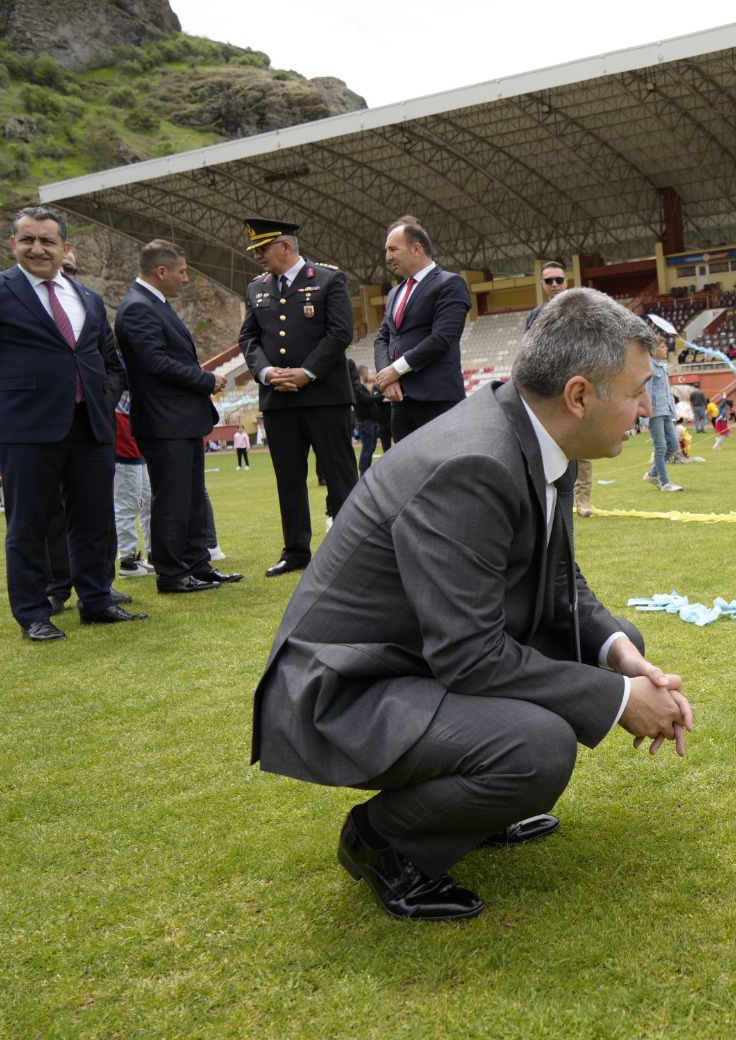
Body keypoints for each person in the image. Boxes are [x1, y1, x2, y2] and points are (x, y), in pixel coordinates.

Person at [252, 286, 693, 922]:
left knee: (613, 647)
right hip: (344, 687)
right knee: (537, 747)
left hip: (415, 655)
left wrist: (624, 661)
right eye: (636, 390)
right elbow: (468, 656)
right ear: (578, 396)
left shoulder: (535, 432)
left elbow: (559, 580)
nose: (648, 407)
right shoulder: (475, 462)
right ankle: (383, 840)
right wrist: (622, 703)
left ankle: (474, 808)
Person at [0, 205, 145, 640]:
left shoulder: (89, 298)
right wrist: (7, 401)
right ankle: (33, 614)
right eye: (28, 239)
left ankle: (97, 601)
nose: (37, 247)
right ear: (13, 244)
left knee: (93, 520)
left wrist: (103, 398)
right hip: (27, 430)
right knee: (28, 524)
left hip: (91, 426)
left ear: (65, 247)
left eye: (47, 240)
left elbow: (108, 361)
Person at [115, 239, 238, 594]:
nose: (186, 279)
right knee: (171, 500)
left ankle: (198, 565)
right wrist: (206, 379)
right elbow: (155, 363)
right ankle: (171, 573)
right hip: (163, 420)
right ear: (162, 271)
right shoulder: (138, 307)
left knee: (192, 498)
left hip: (180, 419)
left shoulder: (154, 303)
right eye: (182, 272)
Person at [238, 217, 358, 578]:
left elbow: (340, 333)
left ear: (286, 247)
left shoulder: (327, 279)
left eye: (263, 248)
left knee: (340, 475)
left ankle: (352, 548)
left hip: (323, 396)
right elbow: (249, 339)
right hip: (278, 399)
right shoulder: (256, 288)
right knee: (289, 478)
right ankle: (295, 551)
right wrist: (266, 372)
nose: (259, 256)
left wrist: (306, 373)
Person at [373, 217, 472, 440]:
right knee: (405, 472)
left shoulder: (450, 284)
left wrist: (396, 369)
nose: (388, 257)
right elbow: (383, 338)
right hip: (400, 403)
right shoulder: (394, 293)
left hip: (437, 401)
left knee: (445, 470)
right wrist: (386, 378)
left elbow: (442, 338)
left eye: (392, 249)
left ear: (416, 249)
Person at [527, 263, 593, 516]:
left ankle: (583, 501)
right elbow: (527, 352)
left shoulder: (584, 309)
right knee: (547, 444)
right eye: (548, 281)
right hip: (548, 388)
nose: (554, 285)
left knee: (583, 446)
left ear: (567, 281)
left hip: (578, 386)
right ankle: (548, 496)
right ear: (542, 285)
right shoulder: (535, 316)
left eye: (558, 280)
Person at [111, 394, 153, 577]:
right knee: (128, 504)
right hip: (124, 448)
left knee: (147, 502)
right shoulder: (118, 373)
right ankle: (127, 560)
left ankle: (151, 554)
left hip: (137, 446)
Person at [644, 340, 681, 492]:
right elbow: (646, 392)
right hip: (655, 413)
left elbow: (667, 392)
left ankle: (652, 473)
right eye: (662, 347)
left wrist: (673, 411)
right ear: (653, 350)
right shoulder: (649, 367)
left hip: (665, 411)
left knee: (673, 445)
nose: (666, 349)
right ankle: (665, 483)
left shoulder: (662, 367)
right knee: (660, 447)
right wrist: (645, 415)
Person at [352, 363, 383, 474]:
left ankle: (366, 470)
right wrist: (382, 396)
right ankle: (364, 471)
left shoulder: (361, 387)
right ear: (364, 374)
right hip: (365, 421)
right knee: (367, 447)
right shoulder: (358, 387)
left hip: (370, 421)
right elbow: (367, 399)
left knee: (370, 447)